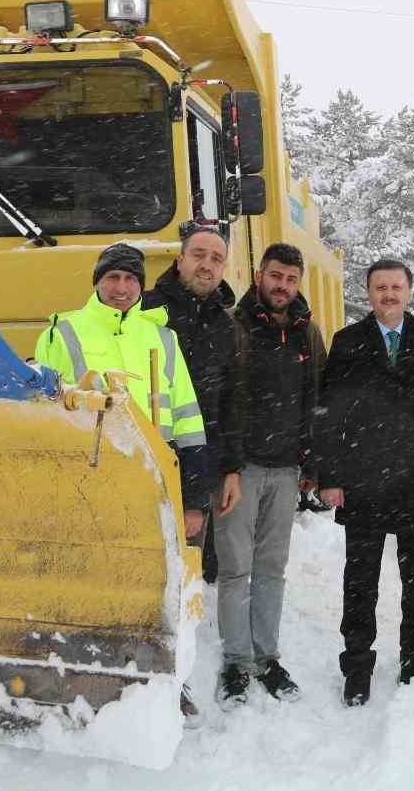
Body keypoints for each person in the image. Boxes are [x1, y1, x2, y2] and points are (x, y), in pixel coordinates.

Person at [311, 258, 414, 706]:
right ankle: (357, 665)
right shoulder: (347, 342)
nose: (389, 295)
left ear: (409, 291)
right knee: (360, 582)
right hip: (363, 483)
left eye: (396, 287)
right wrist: (330, 477)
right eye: (381, 287)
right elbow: (329, 414)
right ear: (369, 292)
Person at [31, 243, 211, 536]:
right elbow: (44, 416)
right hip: (88, 480)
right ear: (97, 282)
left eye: (131, 279)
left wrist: (193, 501)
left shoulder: (164, 337)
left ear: (141, 285)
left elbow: (187, 420)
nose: (121, 288)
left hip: (156, 479)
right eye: (112, 277)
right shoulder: (61, 334)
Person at [215, 243, 326, 706]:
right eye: (275, 276)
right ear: (259, 275)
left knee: (271, 569)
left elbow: (317, 399)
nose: (282, 286)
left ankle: (267, 658)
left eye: (290, 279)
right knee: (235, 568)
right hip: (241, 470)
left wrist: (312, 463)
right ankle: (236, 661)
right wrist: (228, 466)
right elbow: (221, 400)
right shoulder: (233, 326)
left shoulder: (307, 333)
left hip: (285, 470)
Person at [142, 221, 239, 584]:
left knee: (187, 580)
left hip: (198, 471)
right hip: (142, 461)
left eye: (216, 259)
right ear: (179, 259)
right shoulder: (145, 309)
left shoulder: (225, 326)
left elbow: (230, 402)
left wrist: (232, 469)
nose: (206, 265)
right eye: (198, 254)